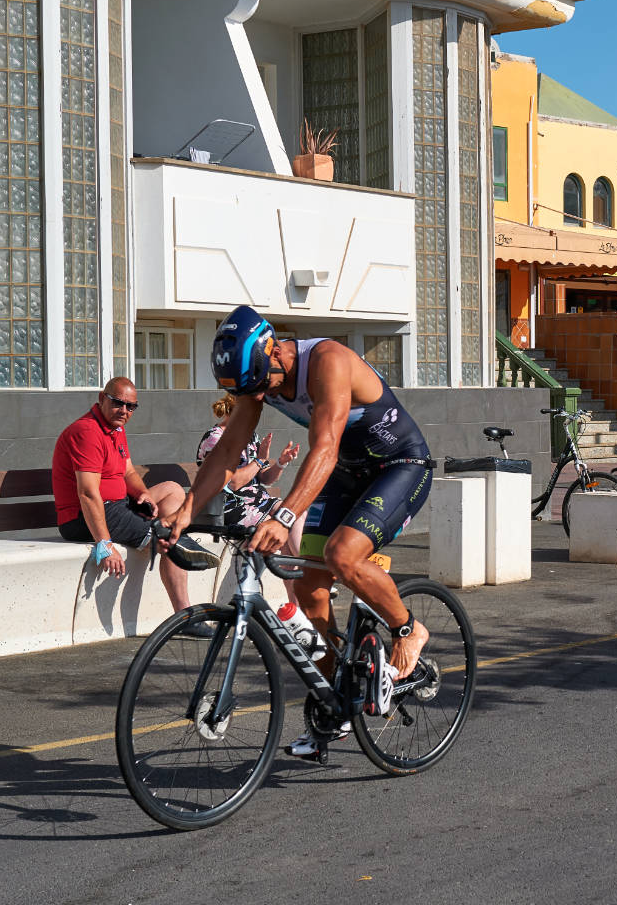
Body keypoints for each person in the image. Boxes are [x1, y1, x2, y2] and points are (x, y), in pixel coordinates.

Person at [166, 306, 436, 756]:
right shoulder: (257, 378)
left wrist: (285, 514)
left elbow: (324, 448)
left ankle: (408, 628)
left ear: (274, 352)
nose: (259, 394)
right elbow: (229, 449)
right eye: (248, 390)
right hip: (348, 473)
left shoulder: (327, 361)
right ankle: (339, 700)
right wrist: (188, 508)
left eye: (261, 384)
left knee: (341, 556)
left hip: (398, 465)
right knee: (308, 588)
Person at [53, 378, 209, 634]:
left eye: (131, 406)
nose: (124, 411)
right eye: (118, 403)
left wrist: (143, 493)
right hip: (84, 517)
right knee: (169, 539)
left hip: (116, 505)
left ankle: (161, 532)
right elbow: (88, 493)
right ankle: (183, 616)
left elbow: (127, 471)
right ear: (102, 398)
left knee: (171, 488)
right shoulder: (87, 432)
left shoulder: (115, 427)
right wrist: (104, 544)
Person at [197, 393, 301, 532]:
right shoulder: (215, 438)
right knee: (274, 528)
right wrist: (259, 460)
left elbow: (265, 478)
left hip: (259, 500)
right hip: (230, 505)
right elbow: (232, 483)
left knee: (293, 517)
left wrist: (281, 463)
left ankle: (295, 555)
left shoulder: (251, 436)